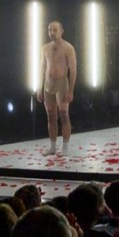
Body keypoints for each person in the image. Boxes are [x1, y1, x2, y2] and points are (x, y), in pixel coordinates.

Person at [37, 21, 78, 156]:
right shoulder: (45, 48)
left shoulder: (68, 48)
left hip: (61, 84)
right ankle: (52, 146)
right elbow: (42, 68)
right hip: (48, 84)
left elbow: (73, 70)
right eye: (50, 30)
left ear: (61, 31)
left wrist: (71, 90)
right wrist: (39, 87)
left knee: (64, 114)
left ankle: (65, 147)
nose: (52, 33)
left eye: (55, 30)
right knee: (50, 116)